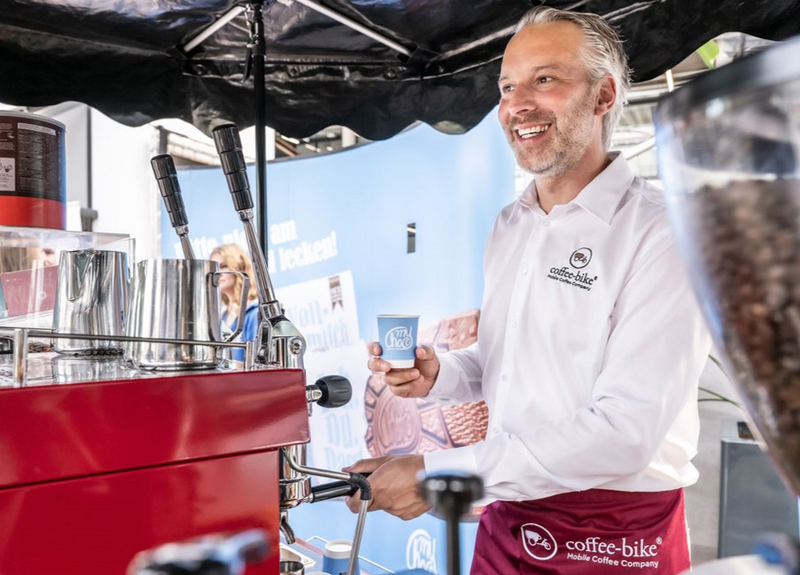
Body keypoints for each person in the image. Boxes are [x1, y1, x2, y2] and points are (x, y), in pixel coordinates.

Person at [345, 6, 711, 575]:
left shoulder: (664, 231)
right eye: (508, 86)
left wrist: (438, 475)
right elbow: (506, 361)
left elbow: (626, 433)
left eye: (546, 79)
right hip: (508, 518)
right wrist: (438, 374)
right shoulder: (510, 224)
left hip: (614, 537)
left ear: (604, 96)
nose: (518, 105)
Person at [209, 244, 260, 361]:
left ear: (240, 267)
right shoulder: (222, 315)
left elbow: (257, 363)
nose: (218, 273)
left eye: (223, 266)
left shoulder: (255, 313)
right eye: (214, 268)